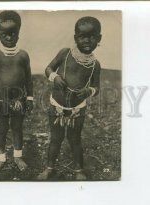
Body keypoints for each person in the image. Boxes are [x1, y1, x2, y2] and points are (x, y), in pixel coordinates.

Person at [37, 16, 102, 180]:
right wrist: (54, 77)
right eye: (82, 36)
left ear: (99, 38)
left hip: (77, 109)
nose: (87, 40)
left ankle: (78, 170)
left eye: (92, 36)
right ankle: (49, 168)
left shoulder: (95, 65)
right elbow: (48, 68)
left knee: (75, 139)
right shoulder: (65, 54)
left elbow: (97, 87)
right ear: (75, 38)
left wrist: (89, 91)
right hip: (57, 105)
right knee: (56, 139)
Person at [0, 10, 33, 173]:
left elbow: (28, 78)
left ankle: (18, 156)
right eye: (4, 34)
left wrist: (29, 98)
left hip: (18, 101)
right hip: (1, 101)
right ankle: (0, 158)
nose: (8, 37)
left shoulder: (23, 56)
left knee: (17, 128)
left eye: (12, 33)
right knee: (1, 129)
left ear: (19, 33)